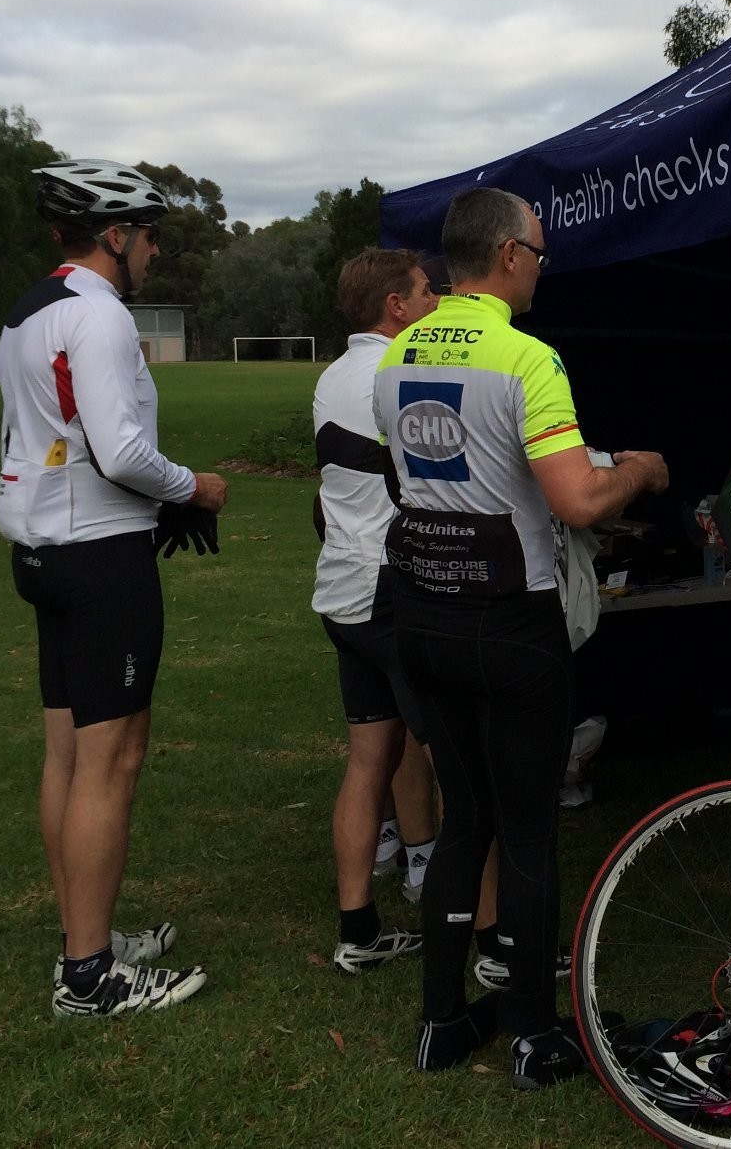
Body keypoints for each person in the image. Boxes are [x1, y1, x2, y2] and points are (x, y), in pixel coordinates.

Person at [374, 187, 668, 1087]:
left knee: (468, 819)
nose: (543, 267)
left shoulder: (397, 354)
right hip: (511, 623)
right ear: (506, 256)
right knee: (531, 830)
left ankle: (440, 1022)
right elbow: (575, 500)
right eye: (539, 253)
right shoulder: (527, 358)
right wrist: (639, 473)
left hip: (424, 613)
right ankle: (537, 1039)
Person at [0, 159, 227, 1017]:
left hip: (44, 548)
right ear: (116, 236)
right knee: (113, 759)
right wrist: (192, 486)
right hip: (98, 556)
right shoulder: (100, 318)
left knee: (67, 754)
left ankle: (80, 934)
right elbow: (121, 451)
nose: (157, 250)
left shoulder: (30, 312)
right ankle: (89, 975)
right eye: (150, 234)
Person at [312, 248, 442, 973]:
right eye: (426, 291)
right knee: (456, 757)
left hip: (342, 591)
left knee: (369, 761)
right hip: (390, 588)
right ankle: (487, 937)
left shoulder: (335, 373)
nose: (434, 301)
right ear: (396, 305)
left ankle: (357, 929)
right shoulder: (398, 372)